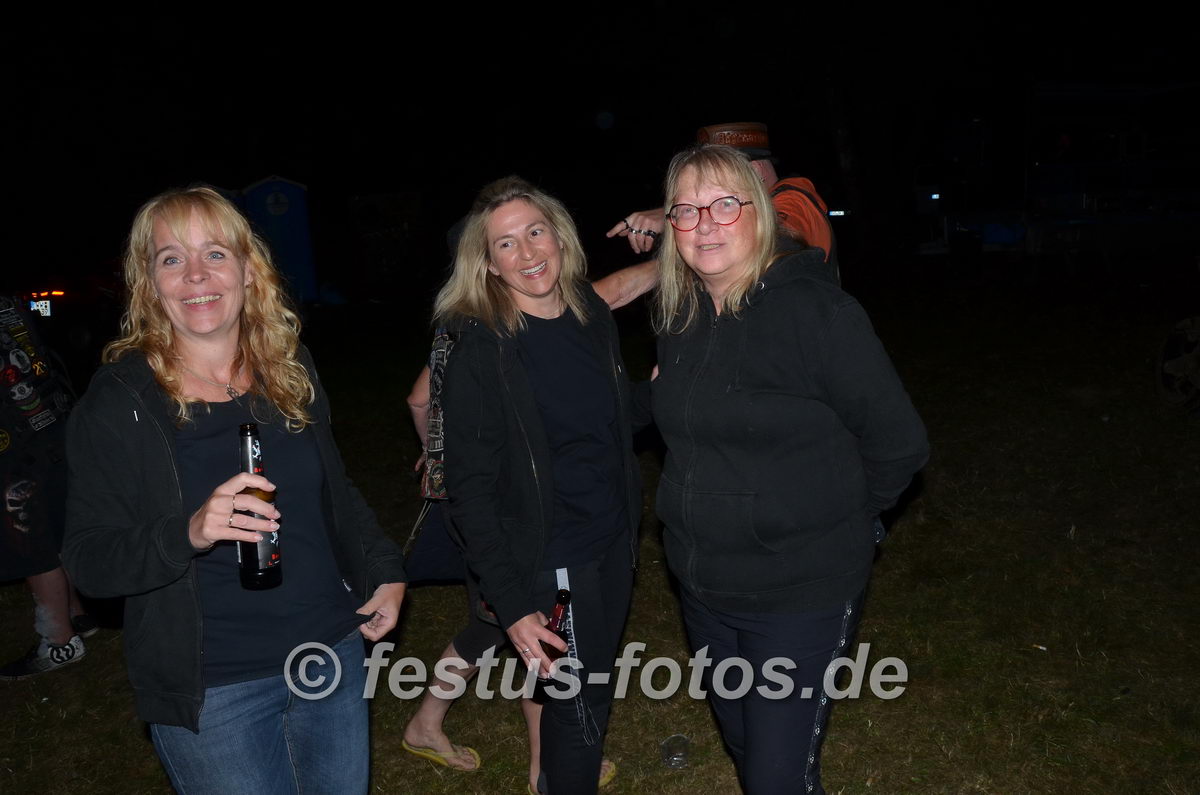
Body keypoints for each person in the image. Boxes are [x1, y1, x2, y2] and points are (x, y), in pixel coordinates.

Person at [61, 187, 406, 793]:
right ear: (149, 282)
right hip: (217, 688)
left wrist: (384, 568)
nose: (196, 274)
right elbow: (89, 561)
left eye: (215, 254)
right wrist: (189, 532)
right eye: (171, 258)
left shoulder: (289, 367)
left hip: (330, 651)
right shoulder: (121, 402)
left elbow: (334, 488)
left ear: (248, 271)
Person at [649, 145, 928, 795]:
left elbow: (900, 443)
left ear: (761, 213)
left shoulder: (818, 314)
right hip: (704, 587)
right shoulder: (680, 317)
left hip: (800, 591)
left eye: (724, 205)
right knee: (749, 747)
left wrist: (844, 523)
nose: (704, 224)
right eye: (686, 210)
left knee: (775, 777)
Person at [434, 175, 644, 795]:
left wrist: (677, 390)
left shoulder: (588, 316)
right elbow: (469, 492)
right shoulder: (482, 350)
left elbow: (614, 418)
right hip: (553, 556)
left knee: (594, 687)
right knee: (576, 707)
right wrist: (513, 602)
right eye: (506, 244)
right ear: (487, 263)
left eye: (535, 232)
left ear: (560, 236)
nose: (527, 253)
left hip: (613, 539)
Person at [602, 121, 840, 309]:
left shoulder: (797, 200)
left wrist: (651, 273)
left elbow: (774, 238)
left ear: (755, 172)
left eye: (721, 175)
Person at [0, 295, 98, 680]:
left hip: (16, 441)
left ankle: (59, 642)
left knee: (30, 541)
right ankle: (76, 615)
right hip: (50, 423)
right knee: (55, 528)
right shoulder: (7, 301)